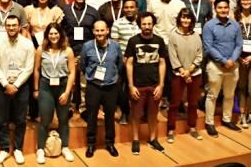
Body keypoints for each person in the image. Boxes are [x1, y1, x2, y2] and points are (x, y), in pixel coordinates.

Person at [0, 14, 35, 165]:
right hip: (2, 85)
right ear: (5, 26)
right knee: (2, 119)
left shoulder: (28, 44)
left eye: (14, 25)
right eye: (8, 25)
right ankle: (4, 149)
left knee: (20, 119)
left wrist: (16, 85)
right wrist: (6, 84)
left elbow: (29, 68)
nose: (11, 28)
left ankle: (18, 149)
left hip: (21, 87)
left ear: (19, 26)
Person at [125, 12, 168, 154]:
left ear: (153, 24)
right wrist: (131, 86)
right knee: (136, 115)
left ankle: (152, 139)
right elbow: (129, 64)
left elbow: (162, 63)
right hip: (138, 85)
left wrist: (161, 85)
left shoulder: (160, 41)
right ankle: (136, 140)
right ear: (140, 25)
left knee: (152, 114)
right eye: (144, 24)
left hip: (154, 85)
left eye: (149, 24)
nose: (147, 26)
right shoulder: (133, 41)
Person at [33, 23, 76, 163]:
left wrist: (67, 92)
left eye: (56, 33)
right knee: (45, 119)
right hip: (46, 86)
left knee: (63, 119)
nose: (53, 36)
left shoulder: (68, 51)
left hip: (63, 86)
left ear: (61, 34)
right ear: (47, 36)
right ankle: (40, 149)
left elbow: (72, 72)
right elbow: (37, 70)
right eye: (50, 34)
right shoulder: (41, 50)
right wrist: (36, 88)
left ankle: (64, 147)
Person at [81, 19, 123, 157]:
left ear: (107, 31)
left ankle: (110, 143)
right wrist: (91, 75)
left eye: (102, 30)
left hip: (110, 87)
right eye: (97, 30)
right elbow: (83, 65)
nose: (99, 33)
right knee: (91, 116)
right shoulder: (87, 46)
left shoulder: (115, 46)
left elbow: (119, 64)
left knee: (110, 116)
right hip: (94, 86)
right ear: (93, 32)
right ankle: (91, 144)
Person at [203, 0, 243, 137]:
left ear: (229, 8)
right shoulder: (209, 26)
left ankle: (227, 119)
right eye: (220, 7)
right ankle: (209, 123)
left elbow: (239, 45)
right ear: (215, 9)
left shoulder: (235, 25)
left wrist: (232, 60)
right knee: (212, 95)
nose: (223, 10)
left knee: (229, 95)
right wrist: (223, 60)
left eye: (225, 7)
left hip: (232, 65)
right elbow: (208, 47)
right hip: (215, 66)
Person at [167, 9, 204, 142]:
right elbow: (172, 56)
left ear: (192, 20)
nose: (185, 20)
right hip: (178, 74)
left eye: (188, 18)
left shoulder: (196, 35)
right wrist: (184, 72)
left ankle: (192, 127)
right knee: (175, 103)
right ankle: (171, 129)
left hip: (195, 73)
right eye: (183, 18)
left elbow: (200, 55)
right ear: (179, 19)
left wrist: (190, 71)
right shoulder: (173, 35)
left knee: (193, 103)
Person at [235, 0, 251, 128]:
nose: (246, 2)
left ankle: (248, 113)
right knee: (241, 87)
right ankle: (241, 115)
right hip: (239, 57)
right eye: (243, 0)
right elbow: (231, 39)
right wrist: (239, 57)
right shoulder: (235, 17)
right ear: (240, 1)